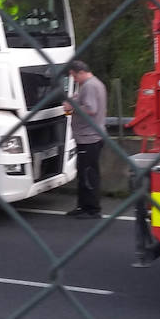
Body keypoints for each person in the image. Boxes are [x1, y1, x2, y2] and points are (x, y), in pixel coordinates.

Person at [63, 59, 107, 218]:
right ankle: (83, 206)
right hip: (90, 136)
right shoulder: (93, 84)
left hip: (89, 138)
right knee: (84, 173)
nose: (74, 80)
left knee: (88, 174)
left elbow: (90, 109)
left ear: (80, 72)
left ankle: (92, 209)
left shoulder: (89, 86)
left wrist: (71, 107)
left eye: (74, 76)